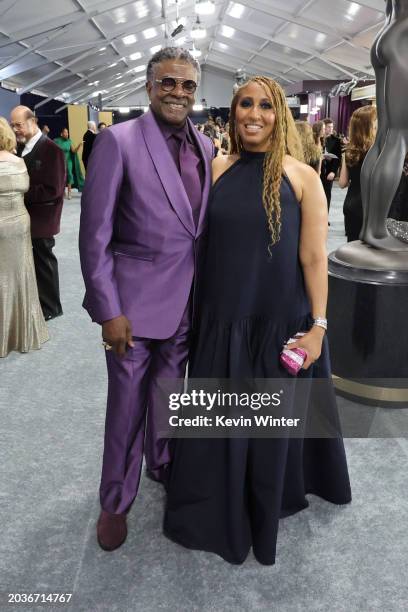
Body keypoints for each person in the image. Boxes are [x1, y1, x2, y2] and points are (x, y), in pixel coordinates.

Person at [164, 76, 351, 566]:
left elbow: (314, 257)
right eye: (245, 103)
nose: (254, 113)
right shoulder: (216, 169)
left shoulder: (302, 176)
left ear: (280, 115)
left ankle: (267, 497)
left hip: (277, 321)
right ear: (233, 110)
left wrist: (319, 326)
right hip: (220, 319)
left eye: (266, 106)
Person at [79, 47, 213, 552]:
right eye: (168, 83)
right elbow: (94, 236)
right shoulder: (118, 141)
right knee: (126, 408)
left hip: (185, 306)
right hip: (131, 312)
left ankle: (161, 463)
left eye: (187, 85)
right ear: (149, 86)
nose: (178, 92)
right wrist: (108, 310)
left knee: (168, 398)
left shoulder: (202, 144)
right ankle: (115, 500)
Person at [10, 105, 66, 321]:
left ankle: (51, 307)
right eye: (13, 125)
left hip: (43, 219)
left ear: (32, 122)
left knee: (44, 262)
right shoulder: (21, 147)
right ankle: (38, 303)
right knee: (33, 262)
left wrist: (19, 192)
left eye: (19, 125)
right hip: (26, 216)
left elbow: (54, 189)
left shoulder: (52, 149)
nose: (15, 129)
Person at [360, 0, 408, 250]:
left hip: (388, 30)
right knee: (398, 137)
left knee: (384, 136)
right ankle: (377, 231)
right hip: (403, 39)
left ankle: (370, 227)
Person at [0, 117, 49, 357]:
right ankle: (22, 332)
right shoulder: (19, 162)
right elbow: (26, 189)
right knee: (21, 275)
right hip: (19, 223)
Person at [339, 106, 377, 242]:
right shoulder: (378, 153)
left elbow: (342, 183)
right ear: (370, 126)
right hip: (371, 208)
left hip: (351, 205)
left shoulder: (349, 152)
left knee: (353, 247)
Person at [54, 128, 84, 199]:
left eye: (67, 132)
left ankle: (69, 193)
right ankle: (63, 192)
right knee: (61, 176)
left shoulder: (69, 141)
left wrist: (79, 145)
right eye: (65, 132)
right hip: (60, 161)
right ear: (61, 134)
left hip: (68, 161)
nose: (67, 134)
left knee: (69, 175)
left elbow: (73, 151)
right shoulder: (56, 141)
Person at [320, 117, 342, 211]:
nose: (330, 129)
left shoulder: (336, 140)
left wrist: (333, 172)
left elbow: (338, 158)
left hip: (329, 171)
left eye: (332, 127)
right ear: (323, 127)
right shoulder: (318, 138)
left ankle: (325, 217)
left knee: (327, 194)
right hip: (317, 170)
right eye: (328, 127)